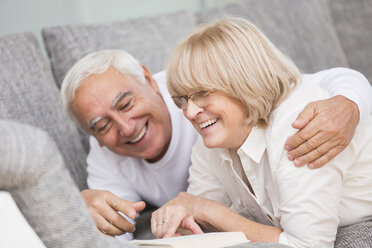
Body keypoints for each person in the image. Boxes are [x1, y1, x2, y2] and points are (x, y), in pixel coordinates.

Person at [60, 48, 372, 240]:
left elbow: (298, 84)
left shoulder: (196, 90)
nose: (126, 128)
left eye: (126, 104)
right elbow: (113, 233)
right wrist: (79, 208)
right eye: (102, 126)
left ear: (149, 79)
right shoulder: (105, 156)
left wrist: (348, 104)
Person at [151, 17, 372, 247]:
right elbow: (197, 221)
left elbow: (307, 245)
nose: (189, 112)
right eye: (182, 100)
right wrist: (177, 217)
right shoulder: (211, 142)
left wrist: (209, 211)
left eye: (203, 93)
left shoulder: (298, 124)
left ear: (243, 81)